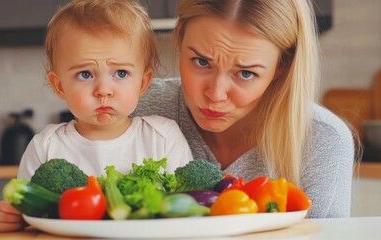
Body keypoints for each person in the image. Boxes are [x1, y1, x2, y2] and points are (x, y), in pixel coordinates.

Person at [133, 0, 356, 218]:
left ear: (283, 66)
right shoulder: (132, 108)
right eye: (201, 62)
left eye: (246, 73)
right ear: (179, 36)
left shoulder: (324, 139)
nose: (216, 94)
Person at [0, 0, 193, 232]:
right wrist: (13, 217)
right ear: (59, 86)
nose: (103, 90)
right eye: (85, 74)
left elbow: (188, 207)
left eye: (121, 73)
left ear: (143, 83)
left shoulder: (164, 137)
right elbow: (29, 212)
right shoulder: (45, 145)